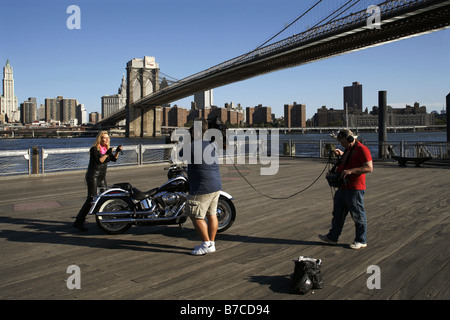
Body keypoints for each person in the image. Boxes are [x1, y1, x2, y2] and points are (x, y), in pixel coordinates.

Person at [319, 129, 373, 249]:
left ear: (350, 139)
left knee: (358, 215)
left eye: (343, 143)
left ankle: (361, 240)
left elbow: (369, 168)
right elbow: (350, 160)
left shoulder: (362, 149)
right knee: (338, 214)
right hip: (343, 187)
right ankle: (333, 237)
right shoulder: (349, 149)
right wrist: (342, 154)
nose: (342, 145)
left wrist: (350, 171)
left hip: (355, 188)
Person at [185, 118, 222, 255]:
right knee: (212, 214)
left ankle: (206, 244)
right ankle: (211, 243)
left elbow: (180, 155)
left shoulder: (193, 145)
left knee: (195, 215)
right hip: (216, 184)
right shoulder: (213, 145)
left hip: (202, 187)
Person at [73, 131, 122, 231]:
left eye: (108, 137)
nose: (107, 139)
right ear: (100, 139)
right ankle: (79, 221)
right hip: (93, 176)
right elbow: (100, 160)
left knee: (106, 197)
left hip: (101, 177)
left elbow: (113, 159)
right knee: (91, 199)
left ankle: (105, 218)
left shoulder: (106, 149)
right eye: (105, 138)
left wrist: (117, 151)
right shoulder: (94, 149)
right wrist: (107, 153)